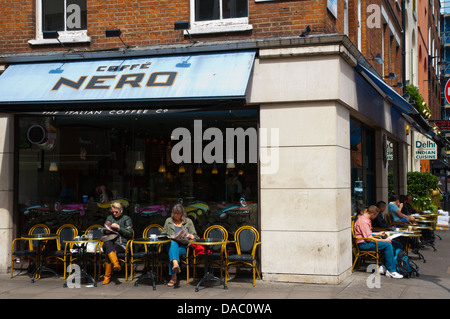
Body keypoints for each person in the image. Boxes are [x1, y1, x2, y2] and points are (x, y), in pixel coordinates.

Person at [354, 205, 403, 279]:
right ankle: (392, 271)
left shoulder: (365, 219)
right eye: (375, 216)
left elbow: (367, 233)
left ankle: (384, 266)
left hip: (366, 241)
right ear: (372, 214)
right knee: (387, 245)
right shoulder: (363, 221)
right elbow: (368, 238)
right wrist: (384, 240)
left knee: (388, 244)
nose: (376, 217)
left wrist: (379, 233)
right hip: (364, 244)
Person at [161, 203, 199, 287]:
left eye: (177, 213)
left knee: (173, 252)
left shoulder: (188, 221)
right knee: (173, 243)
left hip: (184, 247)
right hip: (170, 245)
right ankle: (175, 265)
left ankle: (174, 274)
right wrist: (164, 236)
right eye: (174, 213)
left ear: (182, 213)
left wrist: (191, 236)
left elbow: (195, 236)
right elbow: (163, 234)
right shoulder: (168, 221)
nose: (175, 215)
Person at [101, 200, 133, 285]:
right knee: (108, 243)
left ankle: (107, 276)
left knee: (108, 250)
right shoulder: (109, 218)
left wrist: (118, 228)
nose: (114, 213)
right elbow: (104, 231)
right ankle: (116, 265)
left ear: (121, 210)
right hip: (110, 242)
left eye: (116, 211)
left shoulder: (126, 219)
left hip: (121, 244)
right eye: (112, 211)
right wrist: (107, 231)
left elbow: (129, 233)